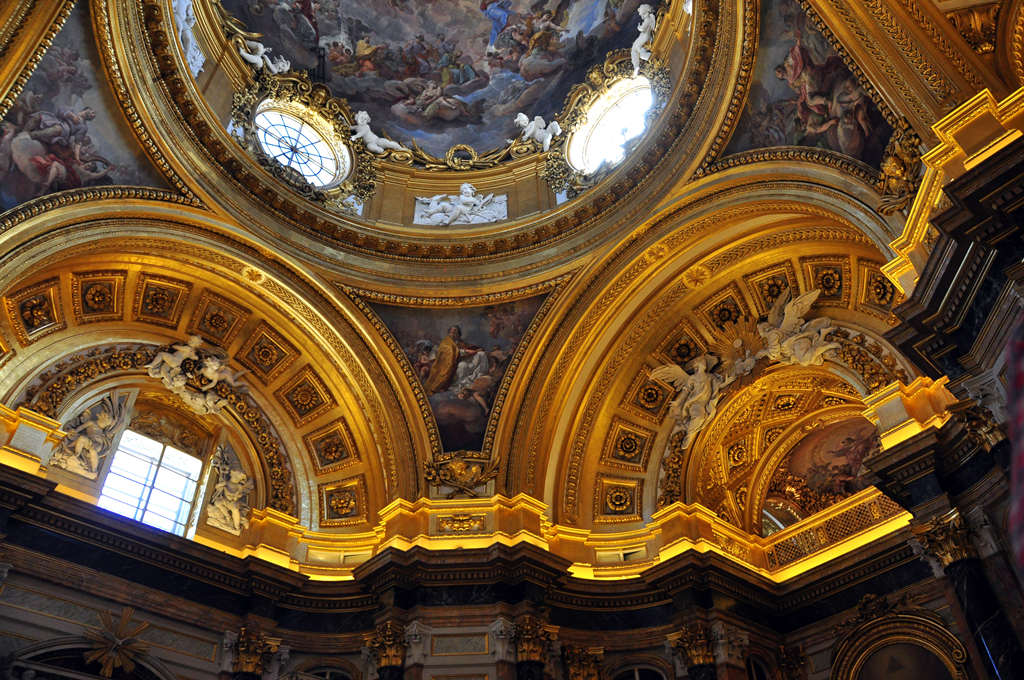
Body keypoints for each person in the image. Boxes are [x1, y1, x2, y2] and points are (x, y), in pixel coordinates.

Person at [422, 325, 483, 395]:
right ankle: (438, 387)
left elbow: (466, 347)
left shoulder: (458, 341)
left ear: (458, 333)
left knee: (465, 366)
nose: (453, 331)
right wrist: (466, 351)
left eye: (455, 330)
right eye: (451, 329)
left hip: (457, 360)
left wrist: (474, 350)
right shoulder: (446, 341)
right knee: (450, 371)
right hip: (445, 362)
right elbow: (449, 351)